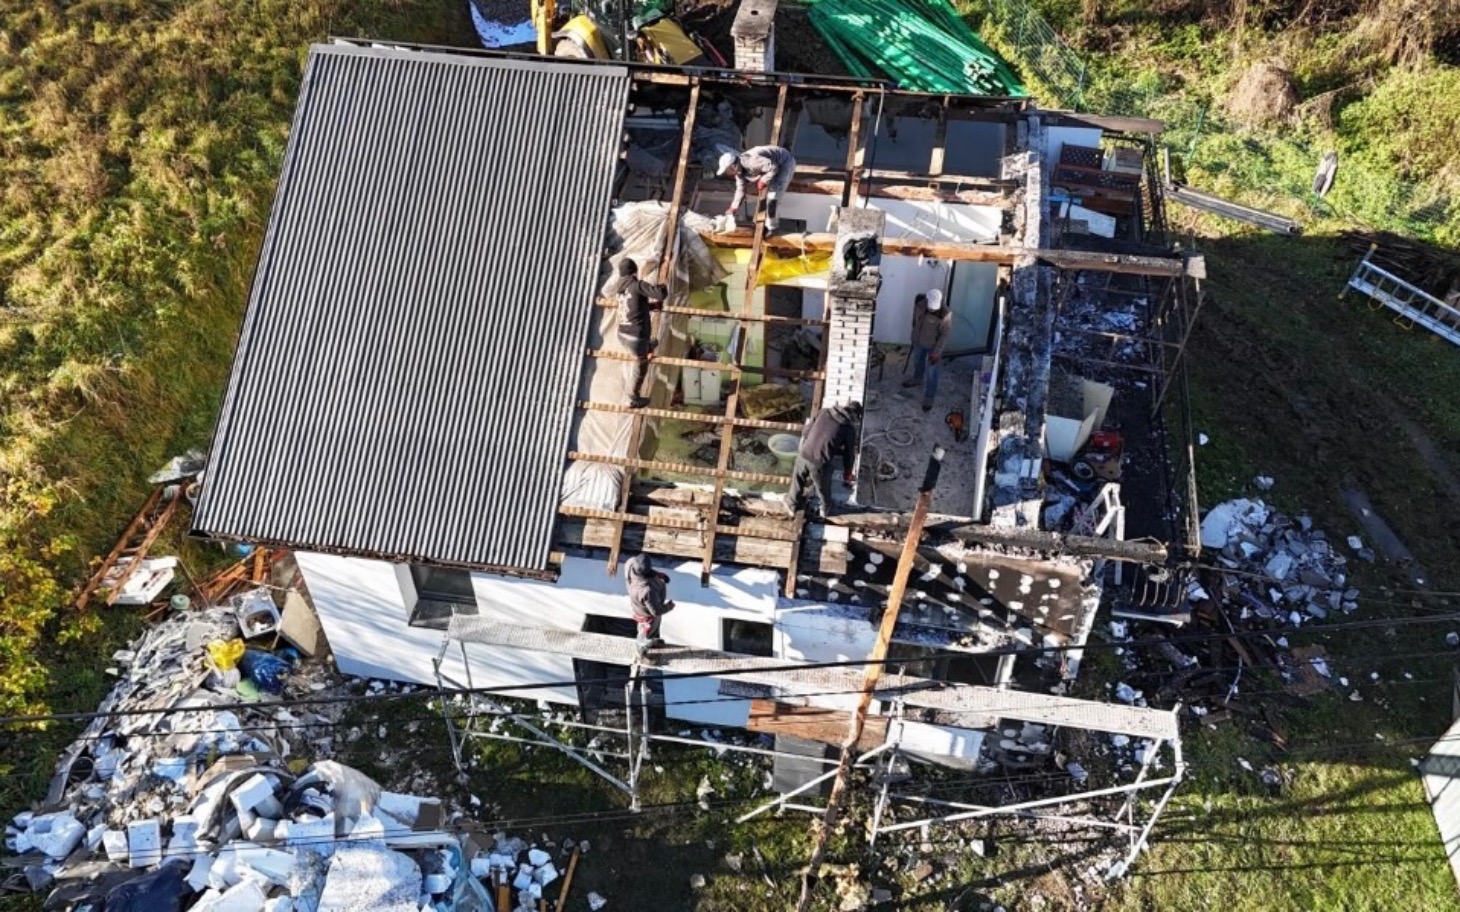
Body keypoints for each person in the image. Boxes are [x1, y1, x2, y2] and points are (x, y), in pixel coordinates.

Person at [787, 401, 863, 518]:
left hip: (803, 453)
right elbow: (849, 454)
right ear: (855, 416)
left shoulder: (824, 412)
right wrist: (847, 473)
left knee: (797, 480)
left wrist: (808, 445)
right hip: (819, 462)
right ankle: (825, 510)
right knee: (823, 488)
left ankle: (791, 505)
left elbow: (806, 431)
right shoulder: (848, 429)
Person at [609, 258, 668, 408]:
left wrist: (652, 306)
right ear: (634, 272)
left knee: (649, 344)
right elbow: (661, 294)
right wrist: (663, 285)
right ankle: (632, 397)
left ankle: (648, 346)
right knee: (641, 364)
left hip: (622, 334)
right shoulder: (637, 285)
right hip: (635, 338)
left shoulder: (619, 288)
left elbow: (633, 307)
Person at [718, 145, 797, 231]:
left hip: (784, 162)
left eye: (727, 170)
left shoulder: (752, 162)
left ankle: (772, 229)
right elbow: (740, 189)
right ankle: (770, 225)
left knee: (772, 199)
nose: (726, 173)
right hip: (771, 165)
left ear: (732, 166)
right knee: (769, 195)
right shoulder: (739, 172)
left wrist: (763, 180)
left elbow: (774, 167)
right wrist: (733, 207)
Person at [903, 289, 952, 412]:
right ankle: (917, 379)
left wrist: (937, 352)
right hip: (918, 342)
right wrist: (914, 334)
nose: (932, 310)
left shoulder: (945, 314)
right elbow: (915, 320)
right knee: (918, 362)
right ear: (927, 300)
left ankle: (929, 398)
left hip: (933, 347)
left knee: (932, 372)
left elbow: (944, 335)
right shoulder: (919, 303)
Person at [624, 554, 675, 655]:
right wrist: (669, 606)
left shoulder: (631, 563)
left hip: (639, 606)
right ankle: (644, 652)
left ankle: (650, 640)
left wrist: (658, 574)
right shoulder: (646, 590)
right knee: (648, 633)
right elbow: (656, 611)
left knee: (647, 630)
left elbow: (642, 571)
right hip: (648, 615)